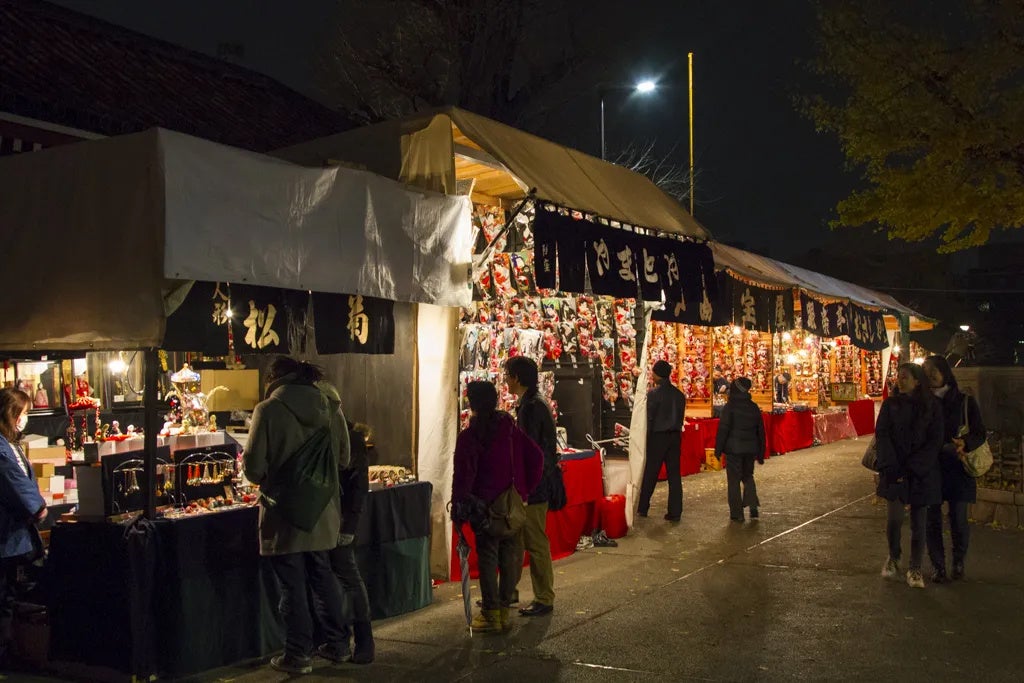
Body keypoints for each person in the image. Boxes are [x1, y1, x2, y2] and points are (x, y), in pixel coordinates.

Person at [243, 357, 351, 675]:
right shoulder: (332, 406)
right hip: (322, 510)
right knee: (322, 575)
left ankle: (298, 654)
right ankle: (339, 644)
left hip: (284, 512)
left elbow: (253, 468)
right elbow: (344, 458)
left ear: (275, 378)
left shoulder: (268, 410)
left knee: (292, 585)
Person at [452, 381, 542, 632]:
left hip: (484, 508)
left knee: (489, 559)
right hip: (510, 505)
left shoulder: (470, 436)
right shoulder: (510, 431)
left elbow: (463, 475)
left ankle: (492, 613)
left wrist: (459, 506)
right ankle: (502, 609)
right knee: (511, 557)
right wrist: (523, 490)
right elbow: (536, 457)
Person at [875, 363, 943, 589]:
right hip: (894, 470)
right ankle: (894, 556)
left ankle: (915, 567)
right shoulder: (890, 405)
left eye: (905, 377)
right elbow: (882, 435)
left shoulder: (931, 406)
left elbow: (935, 440)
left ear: (917, 381)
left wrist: (916, 466)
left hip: (921, 472)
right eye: (898, 377)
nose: (900, 381)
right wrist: (891, 466)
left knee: (919, 523)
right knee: (894, 519)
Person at [922, 355, 985, 582]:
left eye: (933, 370)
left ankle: (958, 561)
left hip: (958, 467)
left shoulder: (964, 401)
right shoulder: (921, 402)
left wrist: (964, 443)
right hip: (931, 467)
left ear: (944, 372)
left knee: (958, 518)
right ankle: (938, 566)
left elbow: (980, 432)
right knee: (932, 518)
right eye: (925, 371)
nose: (929, 375)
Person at [504, 356, 558, 617]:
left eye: (507, 375)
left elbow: (530, 451)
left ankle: (544, 598)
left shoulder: (531, 407)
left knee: (535, 542)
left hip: (533, 487)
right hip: (535, 484)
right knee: (517, 539)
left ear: (516, 377)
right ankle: (508, 591)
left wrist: (524, 487)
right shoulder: (533, 402)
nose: (505, 380)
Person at [0, 388, 46, 666]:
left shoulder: (11, 444)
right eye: (24, 413)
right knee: (3, 597)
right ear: (12, 414)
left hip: (12, 534)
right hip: (5, 535)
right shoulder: (2, 449)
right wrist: (37, 506)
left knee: (8, 596)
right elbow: (13, 482)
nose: (25, 419)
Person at [328, 421, 374, 664]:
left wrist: (349, 524)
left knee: (348, 576)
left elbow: (358, 486)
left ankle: (363, 640)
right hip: (323, 517)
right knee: (327, 578)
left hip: (339, 518)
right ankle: (337, 640)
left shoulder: (350, 438)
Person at [637, 360, 685, 522]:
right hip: (675, 437)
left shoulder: (653, 394)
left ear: (658, 374)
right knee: (674, 476)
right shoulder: (679, 395)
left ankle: (643, 508)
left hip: (658, 436)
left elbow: (649, 419)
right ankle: (675, 511)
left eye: (653, 372)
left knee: (651, 473)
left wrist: (647, 439)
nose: (652, 375)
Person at [715, 377, 767, 523]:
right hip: (750, 449)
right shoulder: (753, 407)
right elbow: (761, 432)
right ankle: (753, 506)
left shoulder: (730, 407)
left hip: (733, 450)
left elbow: (723, 430)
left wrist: (718, 450)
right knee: (748, 476)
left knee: (734, 480)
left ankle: (737, 513)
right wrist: (761, 453)